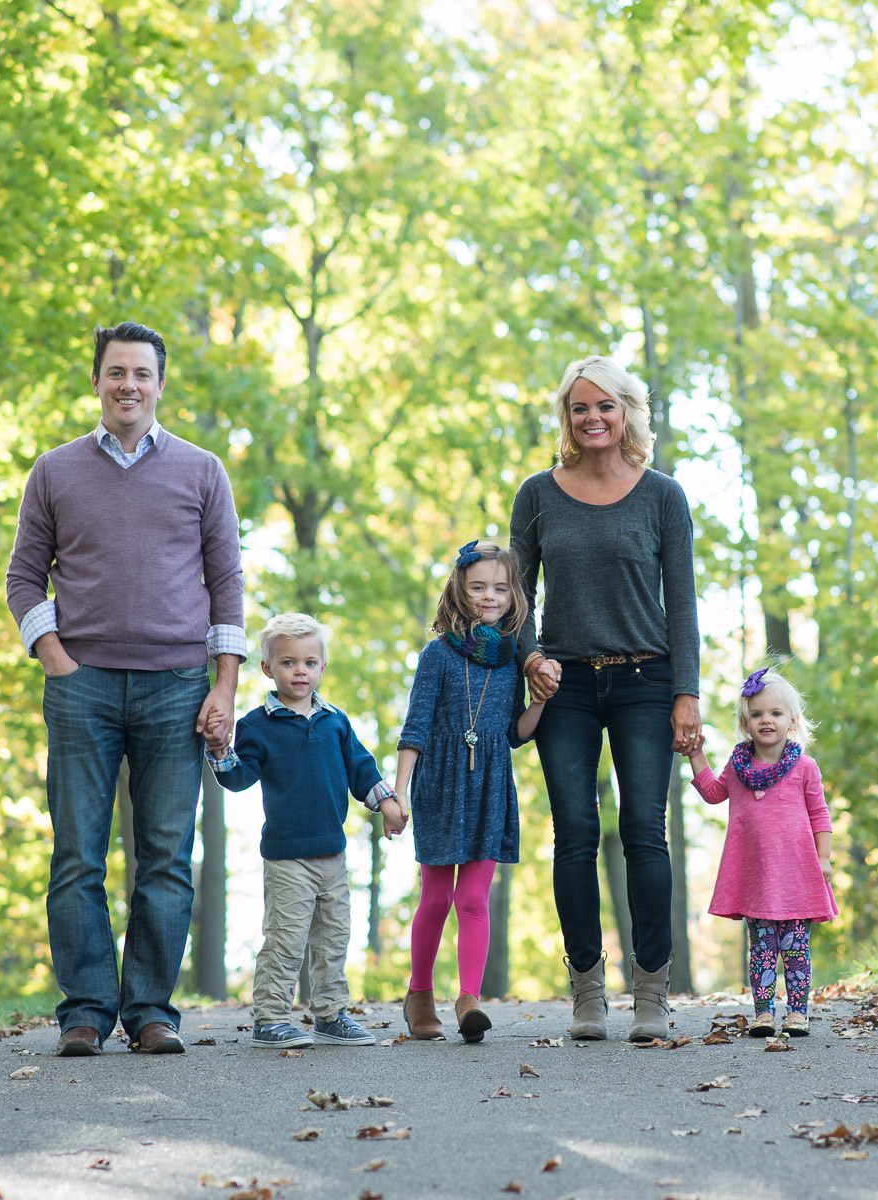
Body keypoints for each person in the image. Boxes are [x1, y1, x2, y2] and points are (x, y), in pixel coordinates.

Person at [4, 321, 244, 1057]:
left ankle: (149, 1012)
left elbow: (227, 581)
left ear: (160, 384)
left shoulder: (201, 471)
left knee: (165, 857)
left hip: (177, 686)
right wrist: (54, 658)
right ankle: (84, 1010)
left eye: (142, 373)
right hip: (83, 687)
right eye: (116, 372)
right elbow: (23, 576)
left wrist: (224, 686)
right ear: (98, 381)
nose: (128, 385)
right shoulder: (55, 471)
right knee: (78, 854)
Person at [509, 354, 702, 1043]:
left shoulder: (662, 496)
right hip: (562, 683)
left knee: (645, 832)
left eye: (606, 406)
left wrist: (687, 694)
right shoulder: (538, 493)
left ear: (627, 414)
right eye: (579, 408)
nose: (593, 419)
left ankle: (652, 993)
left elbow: (681, 601)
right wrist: (529, 655)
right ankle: (587, 991)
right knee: (575, 834)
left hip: (646, 681)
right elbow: (514, 591)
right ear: (566, 417)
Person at [204, 613, 404, 1048]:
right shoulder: (257, 725)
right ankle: (270, 1018)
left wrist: (387, 805)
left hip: (333, 854)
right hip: (287, 856)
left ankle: (330, 1014)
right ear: (267, 669)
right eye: (289, 663)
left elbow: (362, 770)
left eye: (310, 663)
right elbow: (238, 779)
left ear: (323, 667)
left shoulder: (335, 721)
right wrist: (220, 750)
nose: (300, 671)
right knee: (286, 940)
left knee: (334, 939)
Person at [394, 540, 545, 1043]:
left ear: (514, 595)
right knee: (436, 898)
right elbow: (414, 729)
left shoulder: (511, 661)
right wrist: (400, 795)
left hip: (490, 788)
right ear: (459, 589)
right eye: (478, 586)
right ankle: (419, 995)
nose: (489, 596)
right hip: (440, 784)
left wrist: (543, 701)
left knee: (474, 897)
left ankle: (469, 999)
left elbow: (515, 734)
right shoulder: (437, 655)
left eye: (500, 588)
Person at [687, 667, 836, 1037]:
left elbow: (820, 814)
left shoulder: (804, 767)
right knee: (763, 949)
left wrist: (824, 858)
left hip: (797, 877)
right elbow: (711, 793)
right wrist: (695, 754)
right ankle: (764, 1012)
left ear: (792, 721)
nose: (765, 720)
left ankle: (798, 1012)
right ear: (745, 723)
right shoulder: (738, 769)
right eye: (756, 714)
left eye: (775, 713)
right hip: (756, 879)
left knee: (796, 949)